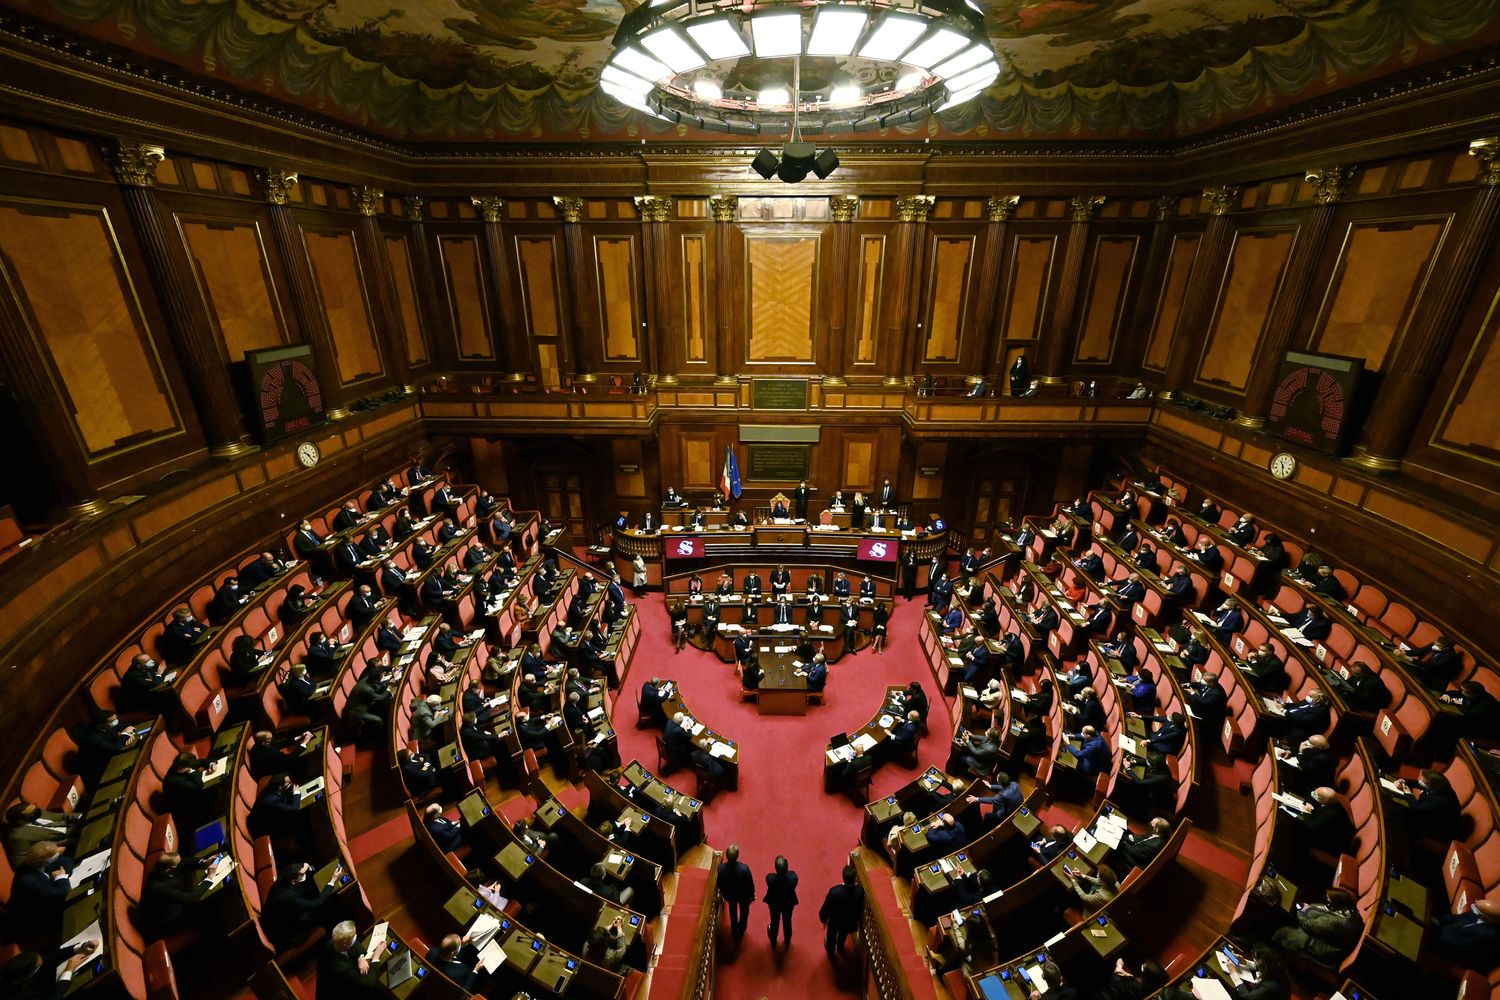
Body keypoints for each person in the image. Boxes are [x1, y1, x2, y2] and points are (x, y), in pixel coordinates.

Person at [1270, 887, 1361, 967]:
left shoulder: (1335, 922)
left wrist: (1300, 912)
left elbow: (1309, 925)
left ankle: (1275, 954)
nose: (1327, 899)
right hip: (1332, 941)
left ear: (1338, 900)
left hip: (1327, 951)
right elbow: (1324, 909)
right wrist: (1309, 907)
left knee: (1283, 931)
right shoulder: (1350, 912)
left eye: (1329, 898)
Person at [263, 861, 340, 950]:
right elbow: (315, 904)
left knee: (307, 890)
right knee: (322, 910)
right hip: (288, 934)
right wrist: (332, 881)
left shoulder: (281, 881)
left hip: (278, 917)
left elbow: (302, 870)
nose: (304, 875)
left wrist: (307, 867)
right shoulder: (290, 897)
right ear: (293, 881)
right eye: (302, 874)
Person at [1429, 898, 1500, 971]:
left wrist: (1437, 928)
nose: (1475, 904)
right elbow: (1455, 919)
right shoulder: (1479, 914)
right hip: (1446, 935)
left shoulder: (1489, 935)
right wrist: (1437, 920)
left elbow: (1454, 941)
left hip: (1461, 956)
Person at [317, 920, 381, 1000]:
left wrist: (360, 957)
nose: (356, 937)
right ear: (345, 943)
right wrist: (376, 957)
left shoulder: (334, 942)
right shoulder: (341, 968)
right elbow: (368, 983)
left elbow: (353, 943)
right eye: (354, 936)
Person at [1292, 786, 1354, 856]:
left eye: (1315, 794)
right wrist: (1308, 803)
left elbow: (1311, 825)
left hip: (1334, 842)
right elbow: (1312, 796)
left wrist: (1306, 812)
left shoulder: (1329, 815)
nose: (1312, 793)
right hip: (1328, 829)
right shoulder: (1331, 801)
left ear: (1325, 801)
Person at [819, 865, 865, 958]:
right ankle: (840, 947)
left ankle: (830, 950)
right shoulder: (860, 892)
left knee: (831, 935)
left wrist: (823, 918)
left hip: (835, 921)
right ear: (854, 878)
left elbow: (826, 908)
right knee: (843, 934)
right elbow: (860, 908)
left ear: (843, 876)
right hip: (849, 921)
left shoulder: (834, 892)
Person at [719, 844, 755, 940]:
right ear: (737, 856)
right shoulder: (744, 869)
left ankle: (734, 929)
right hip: (743, 895)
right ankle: (741, 929)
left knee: (732, 911)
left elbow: (720, 883)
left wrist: (723, 893)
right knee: (744, 912)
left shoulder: (721, 869)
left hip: (730, 895)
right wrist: (752, 895)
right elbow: (750, 883)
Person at [764, 855, 799, 947]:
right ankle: (787, 940)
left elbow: (769, 876)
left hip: (775, 903)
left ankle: (773, 940)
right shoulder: (793, 878)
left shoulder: (770, 879)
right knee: (787, 921)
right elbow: (792, 874)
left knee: (774, 921)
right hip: (788, 903)